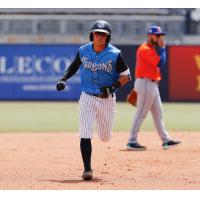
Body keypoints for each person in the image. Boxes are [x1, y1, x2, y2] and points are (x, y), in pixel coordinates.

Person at [56, 20, 131, 180]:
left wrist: (113, 86)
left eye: (103, 34)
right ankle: (87, 169)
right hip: (87, 97)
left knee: (105, 137)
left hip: (106, 99)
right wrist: (63, 79)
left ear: (107, 37)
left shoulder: (115, 54)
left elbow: (126, 75)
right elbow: (74, 66)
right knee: (85, 133)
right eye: (97, 33)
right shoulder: (83, 50)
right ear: (92, 34)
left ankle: (101, 132)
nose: (100, 36)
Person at [126, 25, 180, 151]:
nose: (160, 38)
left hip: (151, 85)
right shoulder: (145, 49)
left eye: (161, 36)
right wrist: (163, 48)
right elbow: (161, 63)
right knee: (141, 114)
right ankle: (131, 141)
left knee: (158, 114)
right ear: (150, 36)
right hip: (145, 83)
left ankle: (166, 140)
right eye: (158, 35)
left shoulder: (150, 48)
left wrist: (161, 48)